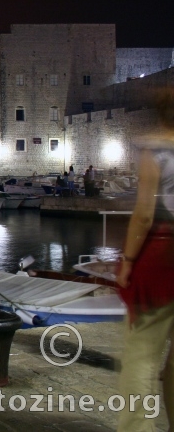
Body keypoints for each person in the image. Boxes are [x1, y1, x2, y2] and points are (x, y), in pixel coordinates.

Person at [116, 90, 174, 431]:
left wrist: (127, 260)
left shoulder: (156, 150)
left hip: (162, 255)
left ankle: (137, 427)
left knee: (142, 355)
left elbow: (144, 215)